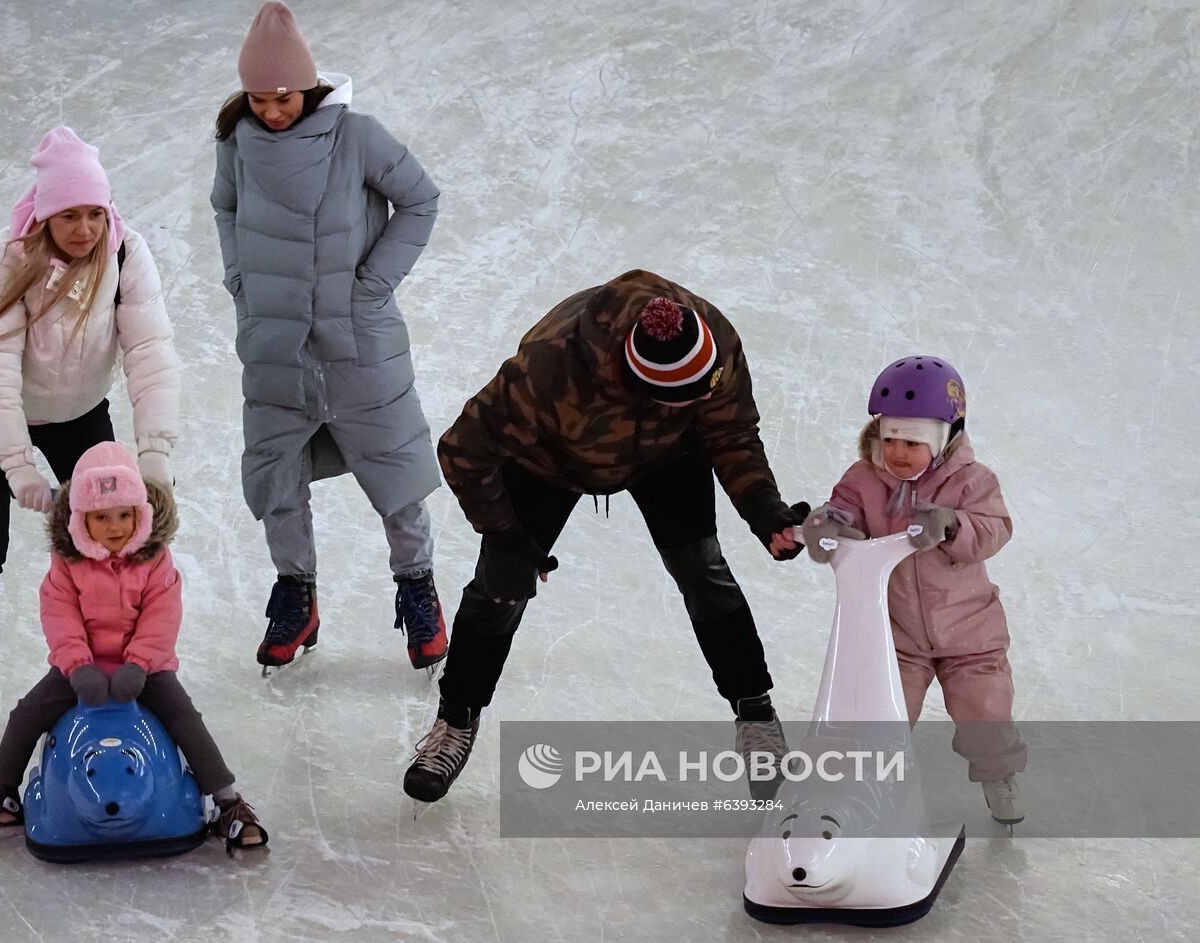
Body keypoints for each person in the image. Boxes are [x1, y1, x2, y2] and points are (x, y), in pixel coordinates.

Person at [404, 271, 809, 803]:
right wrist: (505, 535)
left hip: (668, 456)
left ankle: (755, 711)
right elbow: (463, 450)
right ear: (641, 388)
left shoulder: (714, 341)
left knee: (703, 570)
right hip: (547, 463)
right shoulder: (549, 368)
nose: (696, 404)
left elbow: (729, 432)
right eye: (681, 399)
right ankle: (455, 720)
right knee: (500, 587)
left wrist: (764, 510)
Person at [210, 1, 447, 674]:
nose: (270, 111)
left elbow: (421, 199)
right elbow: (224, 206)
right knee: (277, 473)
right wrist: (241, 280)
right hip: (275, 339)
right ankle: (297, 591)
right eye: (257, 98)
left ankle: (418, 586)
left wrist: (371, 286)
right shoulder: (236, 143)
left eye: (282, 97)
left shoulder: (356, 137)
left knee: (395, 471)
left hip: (357, 340)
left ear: (306, 87)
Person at [0, 126, 179, 746]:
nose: (83, 230)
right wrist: (18, 465)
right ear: (45, 215)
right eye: (68, 216)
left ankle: (127, 671)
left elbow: (150, 354)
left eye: (94, 214)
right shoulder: (9, 256)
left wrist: (152, 457)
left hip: (78, 412)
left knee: (122, 539)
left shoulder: (126, 254)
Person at [0, 443, 266, 853]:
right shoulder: (68, 561)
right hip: (81, 668)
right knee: (27, 714)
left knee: (184, 716)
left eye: (124, 515)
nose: (115, 527)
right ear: (81, 519)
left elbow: (161, 616)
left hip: (146, 669)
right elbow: (59, 615)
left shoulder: (155, 559)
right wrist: (77, 666)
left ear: (140, 513)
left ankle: (227, 803)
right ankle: (1, 793)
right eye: (101, 517)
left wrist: (140, 664)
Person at [801, 355, 1026, 825]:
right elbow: (843, 513)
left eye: (914, 442)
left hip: (970, 632)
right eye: (890, 439)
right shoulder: (863, 479)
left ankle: (998, 775)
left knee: (985, 716)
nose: (899, 452)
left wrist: (953, 525)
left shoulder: (972, 480)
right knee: (880, 721)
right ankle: (870, 790)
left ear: (944, 441)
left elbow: (995, 529)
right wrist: (828, 527)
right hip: (897, 635)